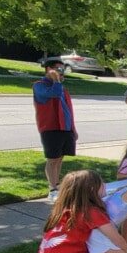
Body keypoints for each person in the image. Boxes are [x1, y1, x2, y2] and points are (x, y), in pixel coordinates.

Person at [33, 57, 78, 203]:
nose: (61, 72)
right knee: (52, 159)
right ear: (49, 69)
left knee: (59, 158)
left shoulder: (61, 87)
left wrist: (73, 129)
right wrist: (56, 80)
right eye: (59, 69)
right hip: (51, 127)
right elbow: (53, 94)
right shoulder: (40, 86)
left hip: (65, 127)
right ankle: (52, 189)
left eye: (62, 70)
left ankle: (57, 185)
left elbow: (68, 110)